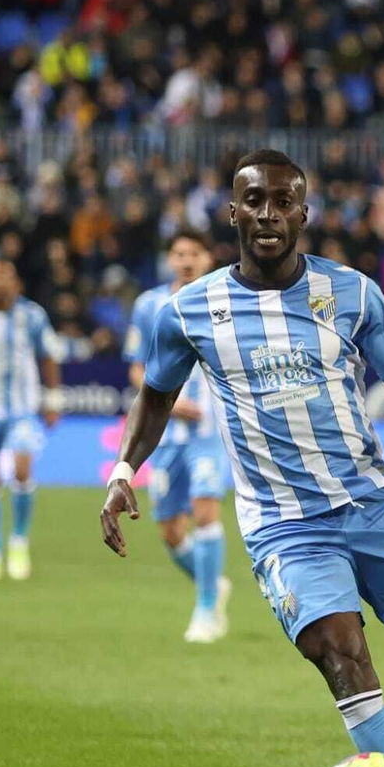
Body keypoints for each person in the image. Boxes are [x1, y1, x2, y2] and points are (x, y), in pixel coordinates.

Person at [99, 149, 384, 767]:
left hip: (373, 505)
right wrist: (126, 468)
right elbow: (155, 396)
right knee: (342, 657)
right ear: (234, 213)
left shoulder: (351, 294)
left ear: (304, 213)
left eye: (284, 201)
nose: (269, 214)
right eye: (255, 201)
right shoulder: (189, 310)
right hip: (285, 529)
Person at [122, 230, 233, 640]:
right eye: (179, 253)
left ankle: (206, 610)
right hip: (166, 436)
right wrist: (167, 401)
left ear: (208, 259)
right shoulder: (149, 305)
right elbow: (137, 368)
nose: (186, 260)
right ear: (169, 259)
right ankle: (212, 584)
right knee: (171, 531)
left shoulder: (224, 299)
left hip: (210, 431)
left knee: (205, 512)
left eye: (194, 253)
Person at [0, 259, 60, 581]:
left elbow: (49, 355)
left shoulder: (31, 315)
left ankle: (18, 540)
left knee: (21, 467)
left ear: (16, 282)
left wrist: (53, 399)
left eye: (5, 276)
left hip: (22, 408)